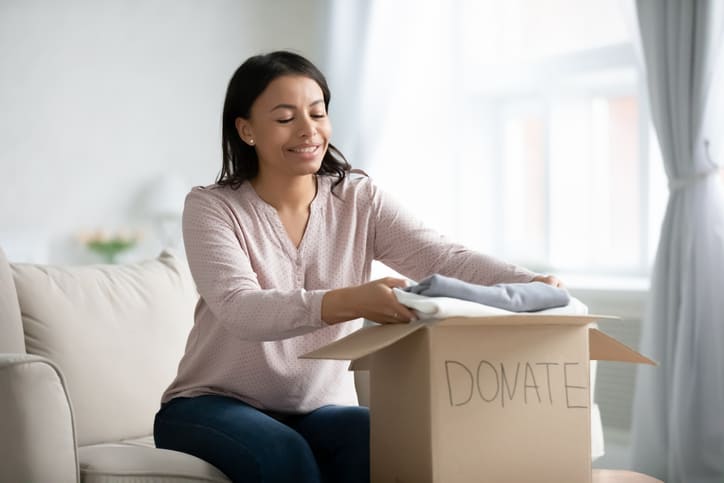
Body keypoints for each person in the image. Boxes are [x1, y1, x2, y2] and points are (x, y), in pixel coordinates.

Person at [153, 50, 561, 483]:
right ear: (246, 129)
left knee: (385, 437)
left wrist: (528, 281)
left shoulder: (359, 199)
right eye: (286, 117)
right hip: (210, 404)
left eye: (318, 113)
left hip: (316, 410)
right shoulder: (211, 207)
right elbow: (240, 309)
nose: (309, 130)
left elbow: (441, 257)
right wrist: (351, 302)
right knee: (282, 451)